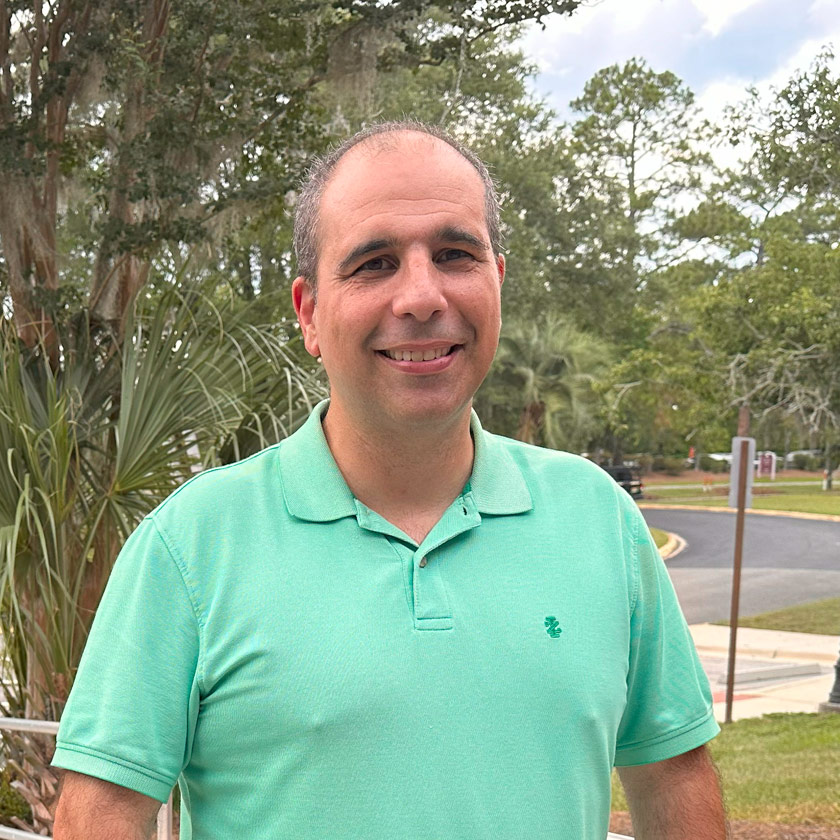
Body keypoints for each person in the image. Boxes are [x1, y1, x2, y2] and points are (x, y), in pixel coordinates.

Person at [52, 121, 727, 839]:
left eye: (454, 253)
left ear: (496, 279)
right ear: (309, 314)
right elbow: (101, 814)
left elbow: (674, 775)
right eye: (374, 264)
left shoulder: (599, 519)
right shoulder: (191, 547)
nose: (421, 296)